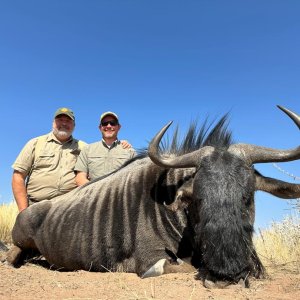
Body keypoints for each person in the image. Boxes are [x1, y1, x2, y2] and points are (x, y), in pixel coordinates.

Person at [12, 107, 87, 212]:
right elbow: (18, 176)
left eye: (68, 121)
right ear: (53, 123)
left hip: (71, 209)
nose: (64, 123)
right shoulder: (35, 143)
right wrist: (23, 212)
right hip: (36, 208)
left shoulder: (84, 147)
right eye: (60, 120)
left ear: (74, 126)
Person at [75, 111, 136, 185]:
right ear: (100, 128)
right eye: (104, 123)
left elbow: (135, 178)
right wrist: (96, 192)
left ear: (119, 127)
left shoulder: (130, 151)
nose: (109, 126)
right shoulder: (87, 149)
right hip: (94, 195)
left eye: (113, 123)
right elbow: (80, 178)